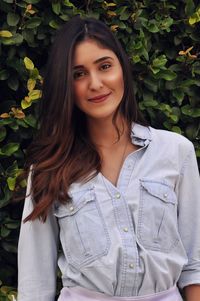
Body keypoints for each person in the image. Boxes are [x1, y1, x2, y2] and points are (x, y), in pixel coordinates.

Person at [17, 15, 200, 301]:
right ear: (66, 86)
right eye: (78, 74)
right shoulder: (48, 168)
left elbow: (195, 266)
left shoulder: (176, 152)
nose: (96, 83)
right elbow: (35, 284)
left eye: (104, 66)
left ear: (122, 69)